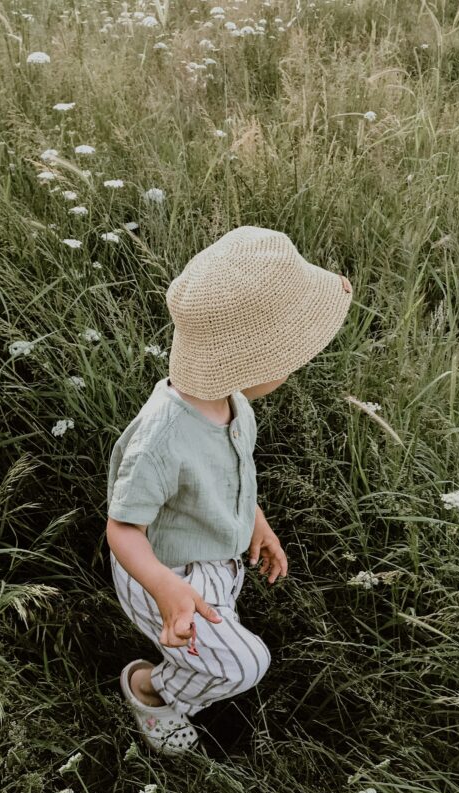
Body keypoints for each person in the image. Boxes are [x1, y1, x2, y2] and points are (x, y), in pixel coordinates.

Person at [106, 226, 354, 757]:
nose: (291, 369)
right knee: (244, 665)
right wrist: (165, 590)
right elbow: (122, 528)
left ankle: (189, 663)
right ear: (248, 362)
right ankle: (151, 690)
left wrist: (254, 523)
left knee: (223, 648)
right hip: (166, 573)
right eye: (286, 358)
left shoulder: (229, 405)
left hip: (212, 555)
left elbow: (228, 473)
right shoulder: (162, 438)